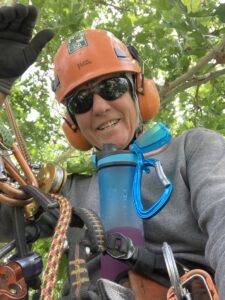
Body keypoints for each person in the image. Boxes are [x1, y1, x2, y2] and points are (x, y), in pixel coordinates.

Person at [0, 4, 225, 300]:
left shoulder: (193, 149)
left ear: (139, 90)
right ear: (73, 123)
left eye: (112, 86)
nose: (100, 107)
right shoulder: (62, 191)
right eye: (81, 101)